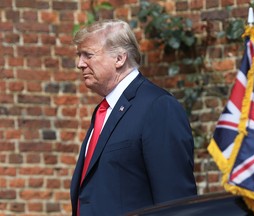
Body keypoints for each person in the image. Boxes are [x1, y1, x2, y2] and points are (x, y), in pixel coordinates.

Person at [70, 19, 197, 216]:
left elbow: (175, 201)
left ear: (119, 58)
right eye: (79, 55)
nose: (80, 64)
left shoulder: (158, 107)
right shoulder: (104, 110)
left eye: (88, 55)